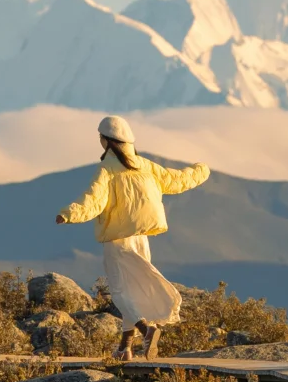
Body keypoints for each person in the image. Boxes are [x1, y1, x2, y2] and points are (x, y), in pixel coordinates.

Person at [55, 115, 210, 362]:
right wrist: (201, 170)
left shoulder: (107, 169)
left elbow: (93, 201)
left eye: (100, 138)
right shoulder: (145, 166)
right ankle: (125, 348)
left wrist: (68, 214)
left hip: (118, 239)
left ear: (107, 141)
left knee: (119, 291)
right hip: (142, 238)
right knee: (133, 292)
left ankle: (146, 330)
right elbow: (178, 180)